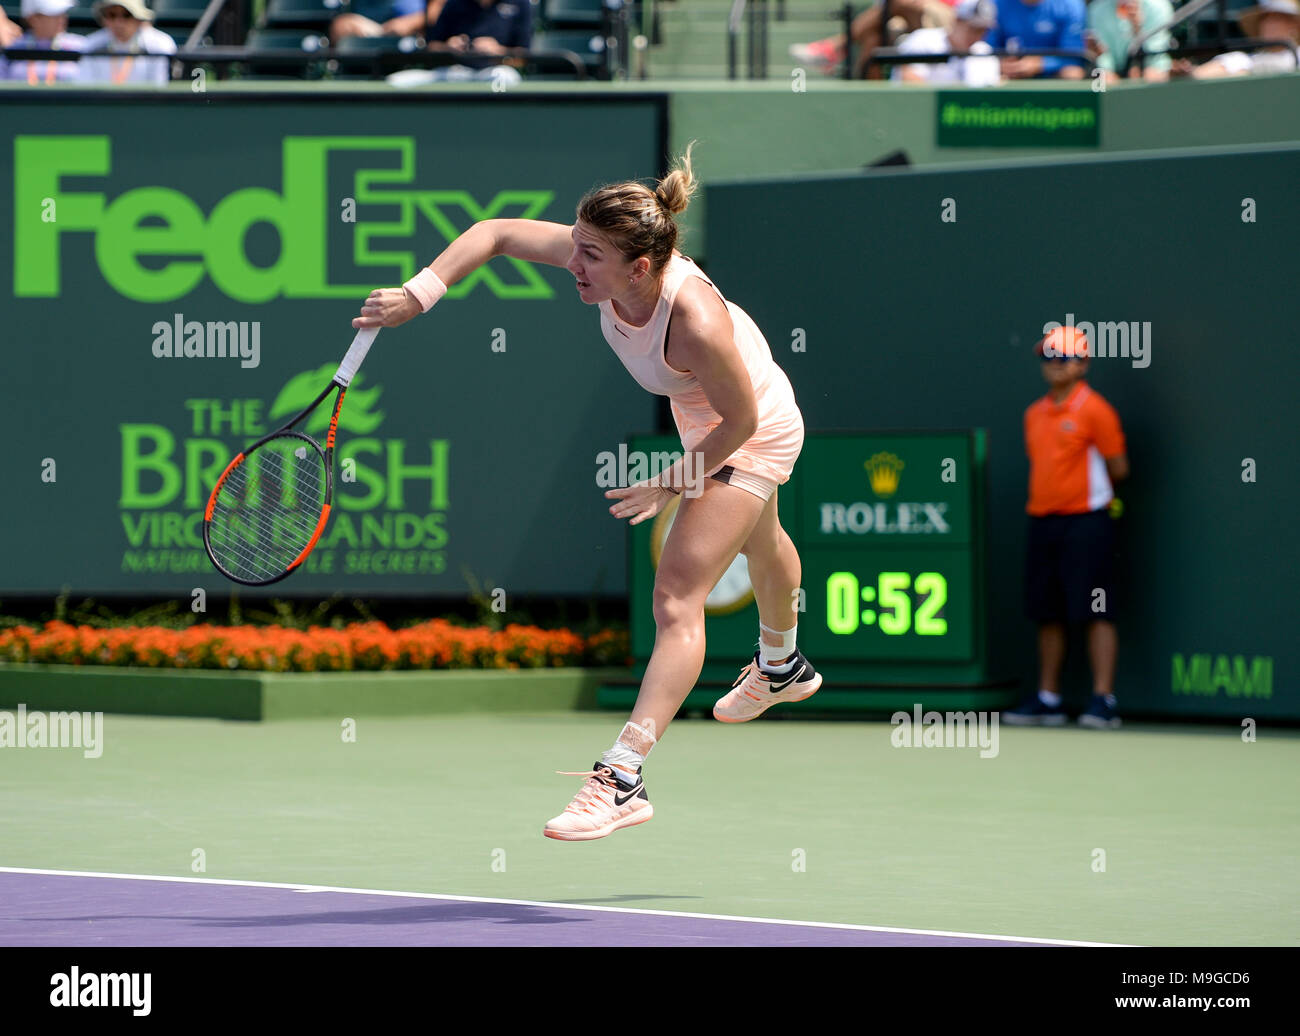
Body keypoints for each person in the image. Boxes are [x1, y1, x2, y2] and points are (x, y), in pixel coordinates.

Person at [350, 146, 821, 840]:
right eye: (576, 245)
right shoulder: (606, 263)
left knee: (676, 598)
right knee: (763, 536)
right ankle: (782, 663)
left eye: (590, 256)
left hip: (750, 424)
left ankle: (622, 776)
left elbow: (743, 421)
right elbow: (498, 233)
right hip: (707, 410)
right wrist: (420, 294)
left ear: (640, 266)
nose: (573, 263)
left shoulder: (695, 321)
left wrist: (672, 480)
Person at [1005, 327, 1128, 730]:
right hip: (1043, 521)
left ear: (1082, 363)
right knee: (1048, 613)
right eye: (1048, 357)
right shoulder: (1033, 414)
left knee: (1097, 610)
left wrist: (1091, 501)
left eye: (1064, 357)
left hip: (1088, 523)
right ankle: (1049, 698)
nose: (1055, 365)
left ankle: (1102, 700)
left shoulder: (1096, 410)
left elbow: (1118, 467)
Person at [790, 0, 956, 79]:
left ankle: (835, 47)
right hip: (915, 16)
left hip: (953, 19)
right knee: (873, 37)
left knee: (898, 2)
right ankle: (874, 97)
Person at [1181, 0, 1300, 77]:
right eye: (1265, 20)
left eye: (1278, 19)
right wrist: (1190, 73)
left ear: (1294, 26)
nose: (1270, 25)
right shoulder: (1246, 60)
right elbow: (1228, 67)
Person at [893, 0, 1001, 84]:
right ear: (957, 20)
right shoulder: (923, 40)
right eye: (973, 29)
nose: (978, 36)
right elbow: (909, 80)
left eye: (983, 30)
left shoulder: (985, 52)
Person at [80, 0, 176, 86]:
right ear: (104, 19)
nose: (118, 22)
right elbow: (85, 88)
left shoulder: (160, 45)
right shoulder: (91, 45)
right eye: (112, 15)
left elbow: (159, 90)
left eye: (127, 15)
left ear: (139, 19)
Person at [985, 0, 1087, 79]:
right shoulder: (996, 4)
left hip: (1053, 73)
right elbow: (986, 49)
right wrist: (1000, 65)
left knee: (1072, 73)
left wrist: (1041, 64)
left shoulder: (1071, 5)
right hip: (1009, 73)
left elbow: (1074, 56)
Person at [1086, 0, 1174, 83]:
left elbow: (1156, 55)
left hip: (1151, 68)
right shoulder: (1097, 10)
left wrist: (1138, 30)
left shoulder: (1159, 7)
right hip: (1115, 74)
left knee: (1153, 75)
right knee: (1102, 79)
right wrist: (1107, 72)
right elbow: (1103, 57)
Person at [0, 0, 85, 84]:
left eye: (62, 13)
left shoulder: (80, 45)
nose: (61, 18)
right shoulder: (12, 48)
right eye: (54, 14)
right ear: (33, 19)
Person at [331, 0, 445, 46]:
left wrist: (411, 23)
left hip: (416, 40)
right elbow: (343, 24)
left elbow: (439, 9)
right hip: (371, 34)